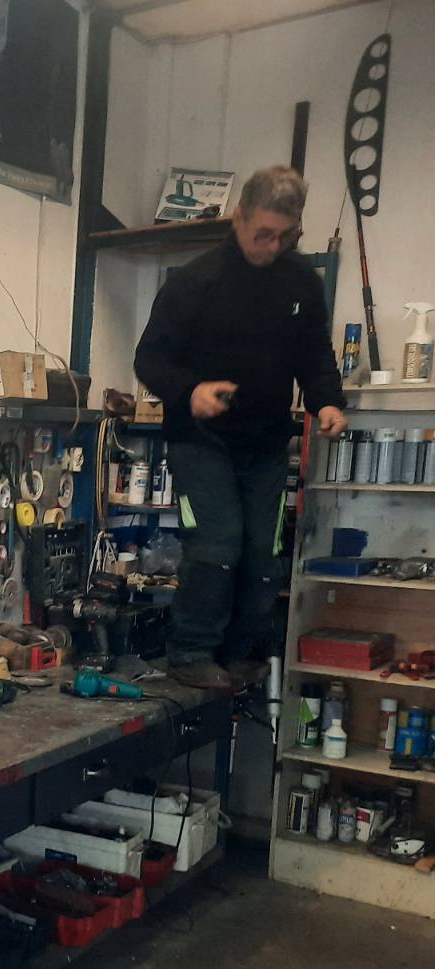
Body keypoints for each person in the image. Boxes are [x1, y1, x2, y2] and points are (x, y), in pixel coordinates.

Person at [135, 165, 348, 694]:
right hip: (200, 440)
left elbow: (314, 354)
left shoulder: (302, 283)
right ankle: (190, 652)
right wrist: (190, 390)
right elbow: (150, 360)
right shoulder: (194, 282)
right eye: (264, 234)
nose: (273, 247)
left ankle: (235, 655)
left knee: (262, 556)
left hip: (265, 443)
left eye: (286, 236)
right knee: (218, 545)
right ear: (239, 218)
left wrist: (326, 401)